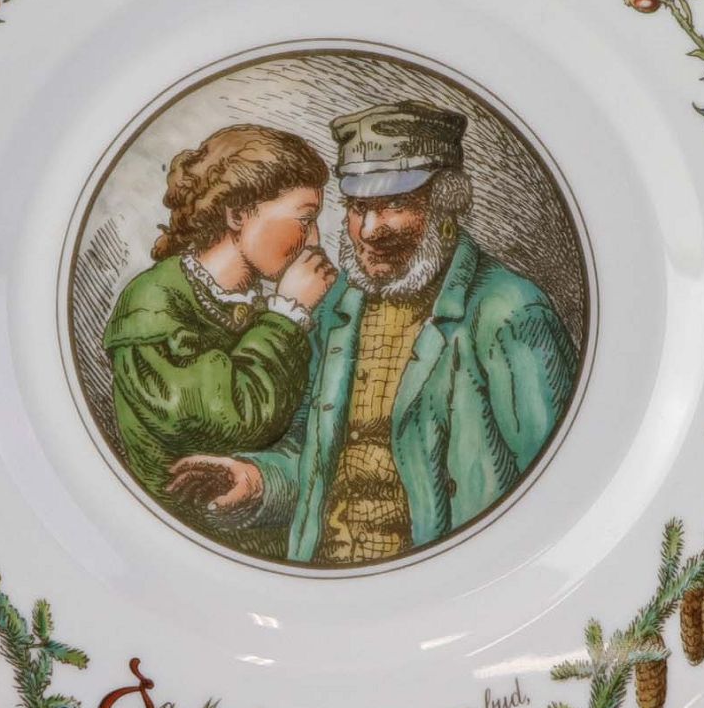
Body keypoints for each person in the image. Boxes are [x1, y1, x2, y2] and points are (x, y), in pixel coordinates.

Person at [167, 101, 578, 565]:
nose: (369, 229)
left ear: (446, 204)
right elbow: (313, 455)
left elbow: (559, 492)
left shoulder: (510, 312)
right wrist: (256, 480)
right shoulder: (334, 305)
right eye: (358, 207)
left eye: (395, 205)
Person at [102, 124, 338, 553]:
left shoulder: (274, 304)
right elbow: (236, 419)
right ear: (238, 214)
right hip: (174, 548)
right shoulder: (153, 303)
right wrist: (287, 317)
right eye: (304, 219)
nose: (315, 239)